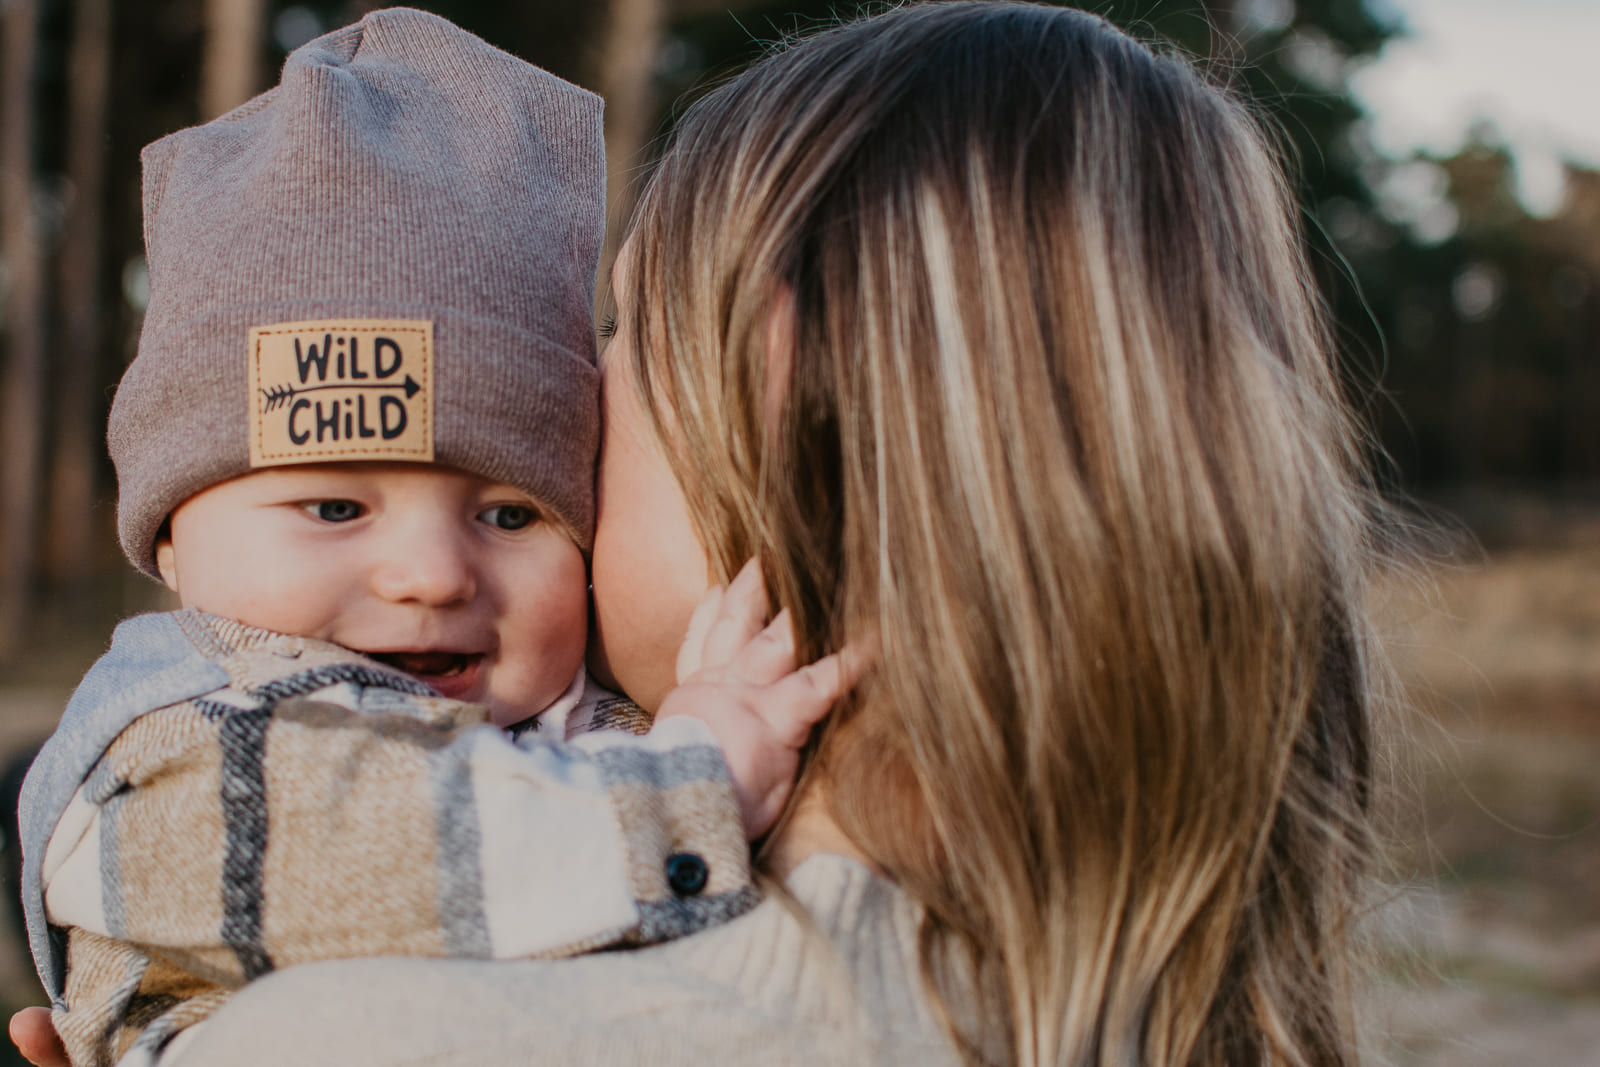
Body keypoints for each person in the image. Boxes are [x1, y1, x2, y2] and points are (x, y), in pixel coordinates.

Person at [16, 2, 1396, 1064]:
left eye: (619, 335)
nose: (433, 567)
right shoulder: (1160, 988)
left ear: (783, 381)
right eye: (335, 499)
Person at [13, 10, 850, 1067]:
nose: (432, 573)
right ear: (171, 539)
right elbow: (393, 852)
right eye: (334, 508)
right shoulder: (173, 743)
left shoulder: (594, 728)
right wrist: (704, 782)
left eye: (510, 515)